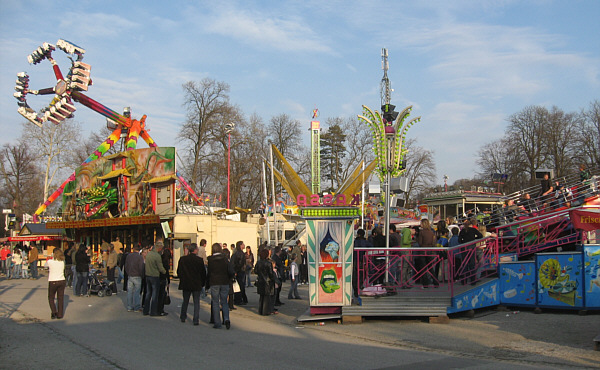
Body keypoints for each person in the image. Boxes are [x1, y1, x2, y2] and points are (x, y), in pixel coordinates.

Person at [177, 243, 207, 325]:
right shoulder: (199, 260)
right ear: (195, 250)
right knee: (196, 302)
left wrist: (182, 278)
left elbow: (179, 272)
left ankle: (183, 316)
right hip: (196, 283)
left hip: (186, 283)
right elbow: (203, 273)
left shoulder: (183, 259)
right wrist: (203, 283)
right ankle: (195, 319)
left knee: (185, 300)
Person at [206, 243, 234, 329]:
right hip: (224, 281)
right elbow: (230, 271)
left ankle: (217, 322)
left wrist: (207, 283)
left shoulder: (210, 260)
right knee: (224, 301)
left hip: (214, 282)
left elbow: (209, 273)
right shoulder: (225, 259)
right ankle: (226, 319)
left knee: (215, 302)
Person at [143, 241, 167, 317]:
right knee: (155, 295)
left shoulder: (149, 254)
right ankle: (153, 311)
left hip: (148, 275)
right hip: (154, 276)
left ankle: (145, 310)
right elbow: (160, 268)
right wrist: (165, 271)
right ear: (159, 248)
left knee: (148, 293)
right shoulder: (157, 256)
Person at [458, 219, 484, 285]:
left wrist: (463, 242)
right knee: (472, 264)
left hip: (464, 248)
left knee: (464, 264)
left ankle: (464, 281)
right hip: (472, 247)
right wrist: (474, 240)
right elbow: (480, 236)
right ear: (470, 225)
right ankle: (473, 280)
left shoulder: (462, 231)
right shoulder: (473, 230)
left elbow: (459, 240)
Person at [416, 219, 437, 288]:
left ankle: (425, 284)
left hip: (423, 251)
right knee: (430, 268)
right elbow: (434, 242)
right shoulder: (431, 232)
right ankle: (435, 282)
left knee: (423, 268)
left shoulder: (422, 232)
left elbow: (420, 242)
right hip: (430, 250)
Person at [47, 248, 66, 319]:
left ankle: (54, 311)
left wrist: (51, 256)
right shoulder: (62, 262)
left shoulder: (50, 262)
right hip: (61, 280)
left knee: (51, 297)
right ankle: (60, 314)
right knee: (60, 298)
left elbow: (46, 265)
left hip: (53, 280)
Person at [124, 245, 144, 312]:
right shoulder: (140, 257)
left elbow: (126, 266)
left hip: (130, 275)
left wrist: (128, 272)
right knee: (137, 292)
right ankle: (136, 307)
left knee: (130, 291)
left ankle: (129, 306)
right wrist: (142, 275)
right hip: (137, 275)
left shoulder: (129, 256)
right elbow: (141, 267)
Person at [255, 248, 275, 315]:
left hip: (260, 280)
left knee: (261, 296)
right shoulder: (268, 263)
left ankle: (260, 310)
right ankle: (265, 311)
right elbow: (271, 273)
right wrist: (272, 279)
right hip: (267, 281)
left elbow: (255, 271)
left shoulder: (258, 262)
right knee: (266, 297)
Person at [230, 241, 248, 305]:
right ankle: (240, 299)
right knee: (240, 286)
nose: (244, 245)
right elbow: (239, 264)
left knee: (238, 285)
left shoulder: (236, 253)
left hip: (238, 271)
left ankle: (241, 298)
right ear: (240, 245)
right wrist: (237, 271)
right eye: (243, 244)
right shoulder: (240, 253)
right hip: (240, 271)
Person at [158, 241, 171, 315]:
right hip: (163, 279)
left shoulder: (160, 258)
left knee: (158, 294)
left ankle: (158, 308)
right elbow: (166, 273)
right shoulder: (166, 262)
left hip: (158, 277)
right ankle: (160, 309)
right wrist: (168, 281)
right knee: (162, 295)